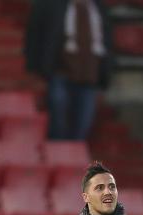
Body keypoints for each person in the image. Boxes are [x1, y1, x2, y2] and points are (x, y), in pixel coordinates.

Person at [24, 0, 113, 140]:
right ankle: (57, 148)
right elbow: (36, 34)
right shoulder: (52, 5)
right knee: (57, 113)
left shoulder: (100, 9)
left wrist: (104, 75)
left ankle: (73, 149)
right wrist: (36, 67)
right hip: (60, 71)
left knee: (83, 122)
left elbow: (106, 42)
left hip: (89, 74)